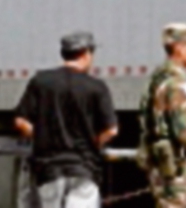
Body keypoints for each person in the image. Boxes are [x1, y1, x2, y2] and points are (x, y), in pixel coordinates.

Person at [14, 31, 118, 208]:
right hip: (84, 168)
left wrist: (39, 136)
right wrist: (95, 143)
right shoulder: (96, 87)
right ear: (86, 54)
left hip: (49, 170)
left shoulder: (41, 82)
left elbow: (21, 122)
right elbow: (111, 130)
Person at [138, 24, 186, 208]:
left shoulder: (158, 79)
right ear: (180, 48)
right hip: (181, 170)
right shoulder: (177, 83)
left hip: (163, 167)